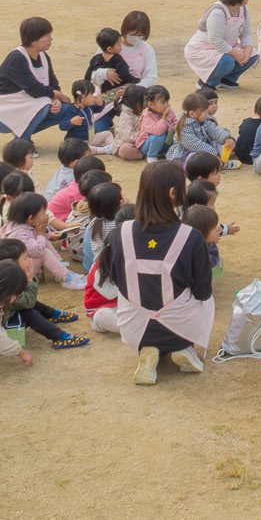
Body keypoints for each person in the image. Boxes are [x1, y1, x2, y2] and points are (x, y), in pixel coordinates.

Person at [100, 161, 214, 385]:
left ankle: (150, 351)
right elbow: (202, 290)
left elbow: (114, 278)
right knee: (206, 299)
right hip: (179, 325)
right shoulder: (190, 236)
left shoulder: (119, 233)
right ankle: (183, 346)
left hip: (134, 327)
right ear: (173, 193)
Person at [0, 17, 83, 140]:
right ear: (33, 41)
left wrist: (56, 100)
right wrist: (60, 96)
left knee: (68, 110)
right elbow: (34, 89)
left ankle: (22, 134)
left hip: (25, 109)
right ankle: (22, 143)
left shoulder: (43, 56)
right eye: (46, 36)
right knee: (44, 103)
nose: (50, 39)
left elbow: (53, 84)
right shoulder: (17, 58)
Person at [185, 0, 257, 88]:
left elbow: (246, 33)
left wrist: (248, 49)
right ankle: (207, 82)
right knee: (227, 61)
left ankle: (226, 78)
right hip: (205, 48)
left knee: (252, 55)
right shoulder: (218, 12)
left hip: (226, 47)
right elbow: (216, 41)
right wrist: (235, 53)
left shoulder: (243, 9)